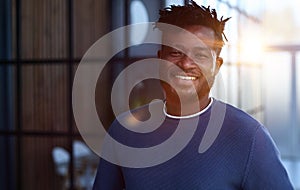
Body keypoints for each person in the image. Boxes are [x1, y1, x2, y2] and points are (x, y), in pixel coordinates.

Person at [93, 1, 294, 189]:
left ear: (217, 66)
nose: (187, 64)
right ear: (160, 59)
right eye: (176, 53)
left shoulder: (249, 137)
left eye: (200, 55)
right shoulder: (123, 130)